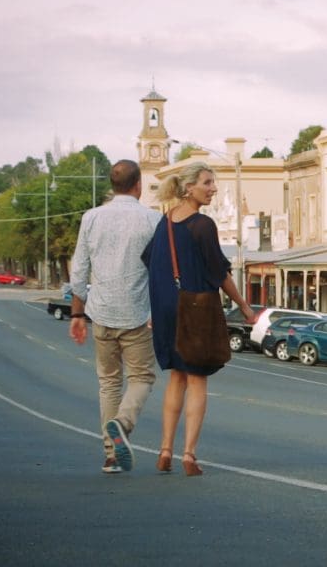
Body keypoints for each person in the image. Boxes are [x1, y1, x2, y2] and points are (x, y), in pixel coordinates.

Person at [142, 162, 256, 476]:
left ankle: (165, 449)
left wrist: (156, 306)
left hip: (166, 308)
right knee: (196, 378)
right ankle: (188, 455)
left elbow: (150, 262)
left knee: (176, 378)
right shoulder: (202, 225)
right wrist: (245, 307)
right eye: (207, 183)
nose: (213, 188)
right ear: (189, 187)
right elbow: (219, 273)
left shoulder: (164, 222)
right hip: (194, 308)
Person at [68, 159, 163, 475]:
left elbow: (79, 269)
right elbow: (160, 270)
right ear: (138, 185)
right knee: (141, 377)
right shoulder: (152, 219)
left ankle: (111, 456)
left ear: (113, 186)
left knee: (108, 382)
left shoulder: (92, 218)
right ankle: (122, 423)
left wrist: (77, 313)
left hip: (101, 312)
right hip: (136, 312)